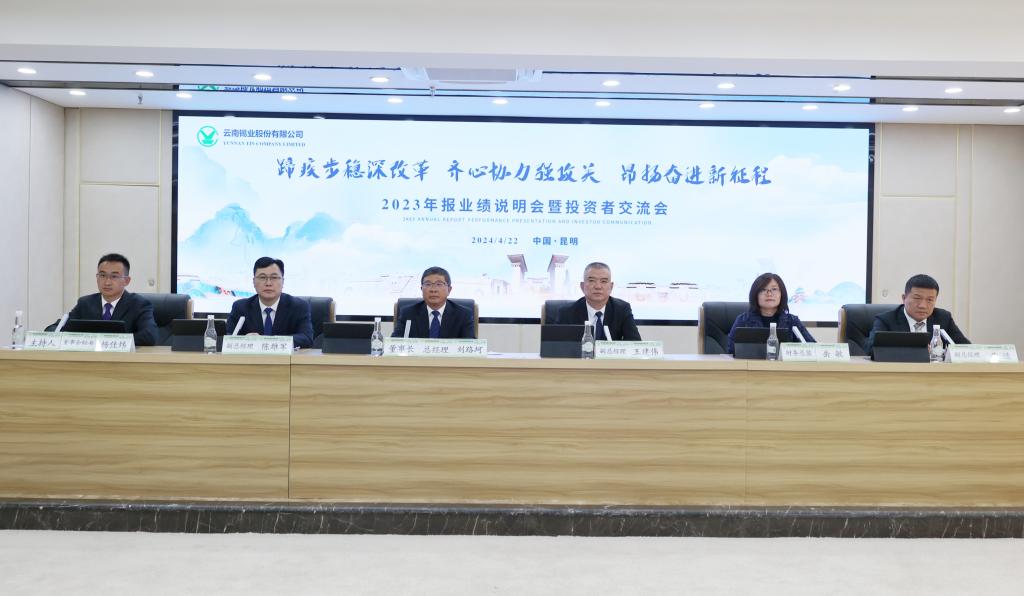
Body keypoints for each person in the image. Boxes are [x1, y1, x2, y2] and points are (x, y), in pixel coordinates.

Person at [48, 253, 158, 346]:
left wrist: (108, 342)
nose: (107, 282)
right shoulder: (85, 303)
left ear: (127, 281)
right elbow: (55, 328)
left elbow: (150, 336)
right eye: (102, 275)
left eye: (114, 276)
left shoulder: (139, 304)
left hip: (123, 361)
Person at [863, 273, 969, 356]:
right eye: (917, 298)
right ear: (904, 298)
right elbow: (870, 350)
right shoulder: (886, 320)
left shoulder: (943, 318)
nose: (923, 305)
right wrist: (916, 352)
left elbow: (966, 348)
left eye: (930, 300)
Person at [225, 257, 314, 349]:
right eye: (262, 277)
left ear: (283, 282)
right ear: (254, 282)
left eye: (274, 277)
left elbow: (306, 338)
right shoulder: (240, 307)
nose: (268, 283)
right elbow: (228, 338)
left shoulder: (298, 306)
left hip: (285, 358)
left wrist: (266, 341)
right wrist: (245, 340)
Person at [727, 272, 814, 355]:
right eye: (763, 289)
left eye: (774, 289)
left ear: (782, 294)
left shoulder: (792, 321)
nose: (769, 294)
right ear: (755, 295)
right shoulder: (743, 320)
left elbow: (813, 348)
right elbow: (731, 351)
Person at [555, 262, 642, 341]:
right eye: (592, 281)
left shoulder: (622, 309)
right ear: (582, 286)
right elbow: (556, 347)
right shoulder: (566, 313)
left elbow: (635, 344)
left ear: (611, 287)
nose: (598, 286)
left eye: (603, 281)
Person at [392, 266, 475, 339]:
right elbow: (394, 343)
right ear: (421, 289)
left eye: (439, 284)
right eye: (428, 284)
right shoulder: (408, 314)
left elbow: (470, 346)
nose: (433, 289)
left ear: (449, 290)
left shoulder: (463, 315)